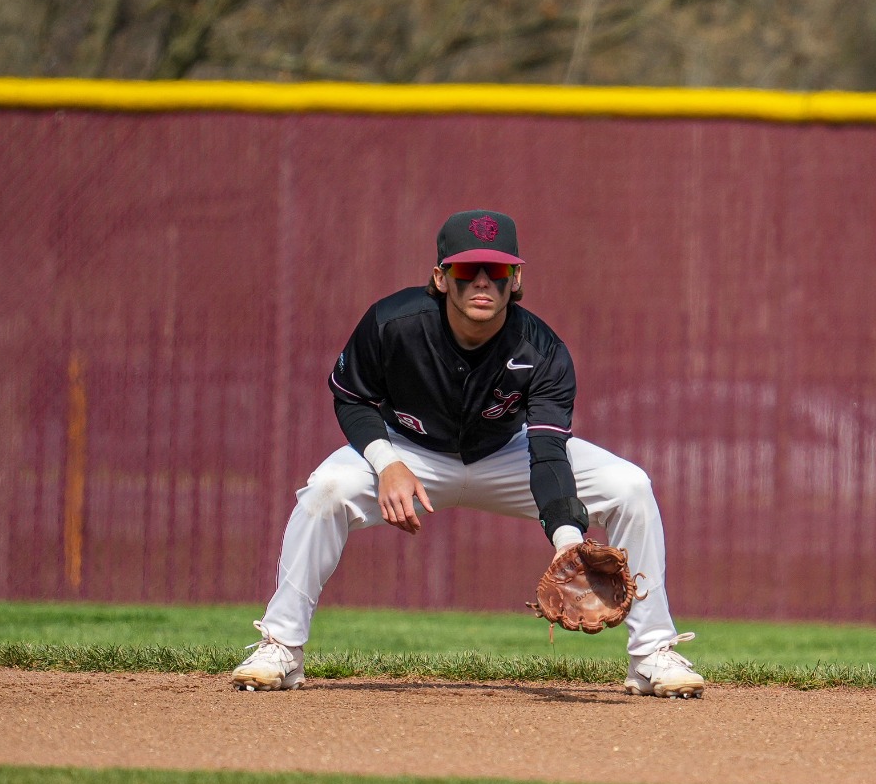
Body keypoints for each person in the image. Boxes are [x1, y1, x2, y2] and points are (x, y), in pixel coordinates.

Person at [230, 209, 703, 697]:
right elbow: (352, 398)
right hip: (408, 452)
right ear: (440, 276)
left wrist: (568, 540)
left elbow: (547, 451)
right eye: (466, 269)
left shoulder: (541, 349)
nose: (482, 281)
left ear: (515, 279)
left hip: (507, 453)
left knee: (631, 487)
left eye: (496, 271)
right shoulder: (394, 323)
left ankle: (651, 654)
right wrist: (385, 461)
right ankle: (281, 645)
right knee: (327, 490)